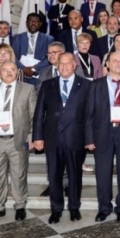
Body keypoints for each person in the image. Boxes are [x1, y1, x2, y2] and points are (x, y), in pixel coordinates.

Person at [33, 52, 91, 224]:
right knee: (54, 176)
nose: (64, 66)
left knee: (75, 175)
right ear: (57, 66)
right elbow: (39, 113)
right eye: (61, 64)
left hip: (76, 137)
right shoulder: (47, 85)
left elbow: (90, 114)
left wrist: (89, 138)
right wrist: (37, 136)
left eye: (68, 63)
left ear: (74, 66)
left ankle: (74, 207)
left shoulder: (86, 85)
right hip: (52, 138)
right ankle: (56, 209)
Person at [0, 61, 36, 223]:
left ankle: (20, 205)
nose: (9, 72)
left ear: (17, 72)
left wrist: (31, 137)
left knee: (19, 176)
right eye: (5, 70)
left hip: (17, 140)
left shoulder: (28, 89)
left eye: (12, 70)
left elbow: (33, 116)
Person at [85, 52, 120, 223]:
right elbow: (89, 115)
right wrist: (89, 139)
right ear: (106, 64)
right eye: (114, 61)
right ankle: (104, 207)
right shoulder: (96, 85)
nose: (118, 63)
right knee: (103, 173)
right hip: (102, 132)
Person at [11, 13, 54, 85]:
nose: (33, 23)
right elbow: (12, 56)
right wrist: (23, 69)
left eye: (36, 21)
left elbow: (50, 57)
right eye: (30, 21)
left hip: (39, 74)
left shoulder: (48, 39)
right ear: (26, 23)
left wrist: (34, 69)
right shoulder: (17, 38)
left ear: (40, 24)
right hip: (20, 75)